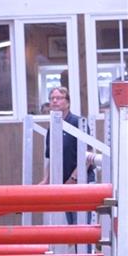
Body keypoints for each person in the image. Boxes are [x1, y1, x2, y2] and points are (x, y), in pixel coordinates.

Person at [37, 86, 95, 224]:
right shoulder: (52, 127)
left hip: (80, 182)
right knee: (72, 227)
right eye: (52, 99)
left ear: (67, 102)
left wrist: (74, 178)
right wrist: (46, 180)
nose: (55, 101)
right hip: (64, 185)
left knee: (81, 227)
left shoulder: (78, 123)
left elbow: (87, 155)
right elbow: (51, 157)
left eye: (59, 98)